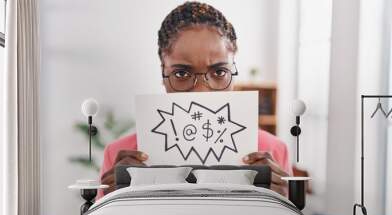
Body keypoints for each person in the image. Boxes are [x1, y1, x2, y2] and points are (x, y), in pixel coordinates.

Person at [98, 1, 291, 200]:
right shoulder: (120, 155)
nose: (202, 91)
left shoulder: (273, 151)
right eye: (181, 73)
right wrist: (110, 201)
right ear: (162, 72)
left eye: (219, 72)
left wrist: (283, 201)